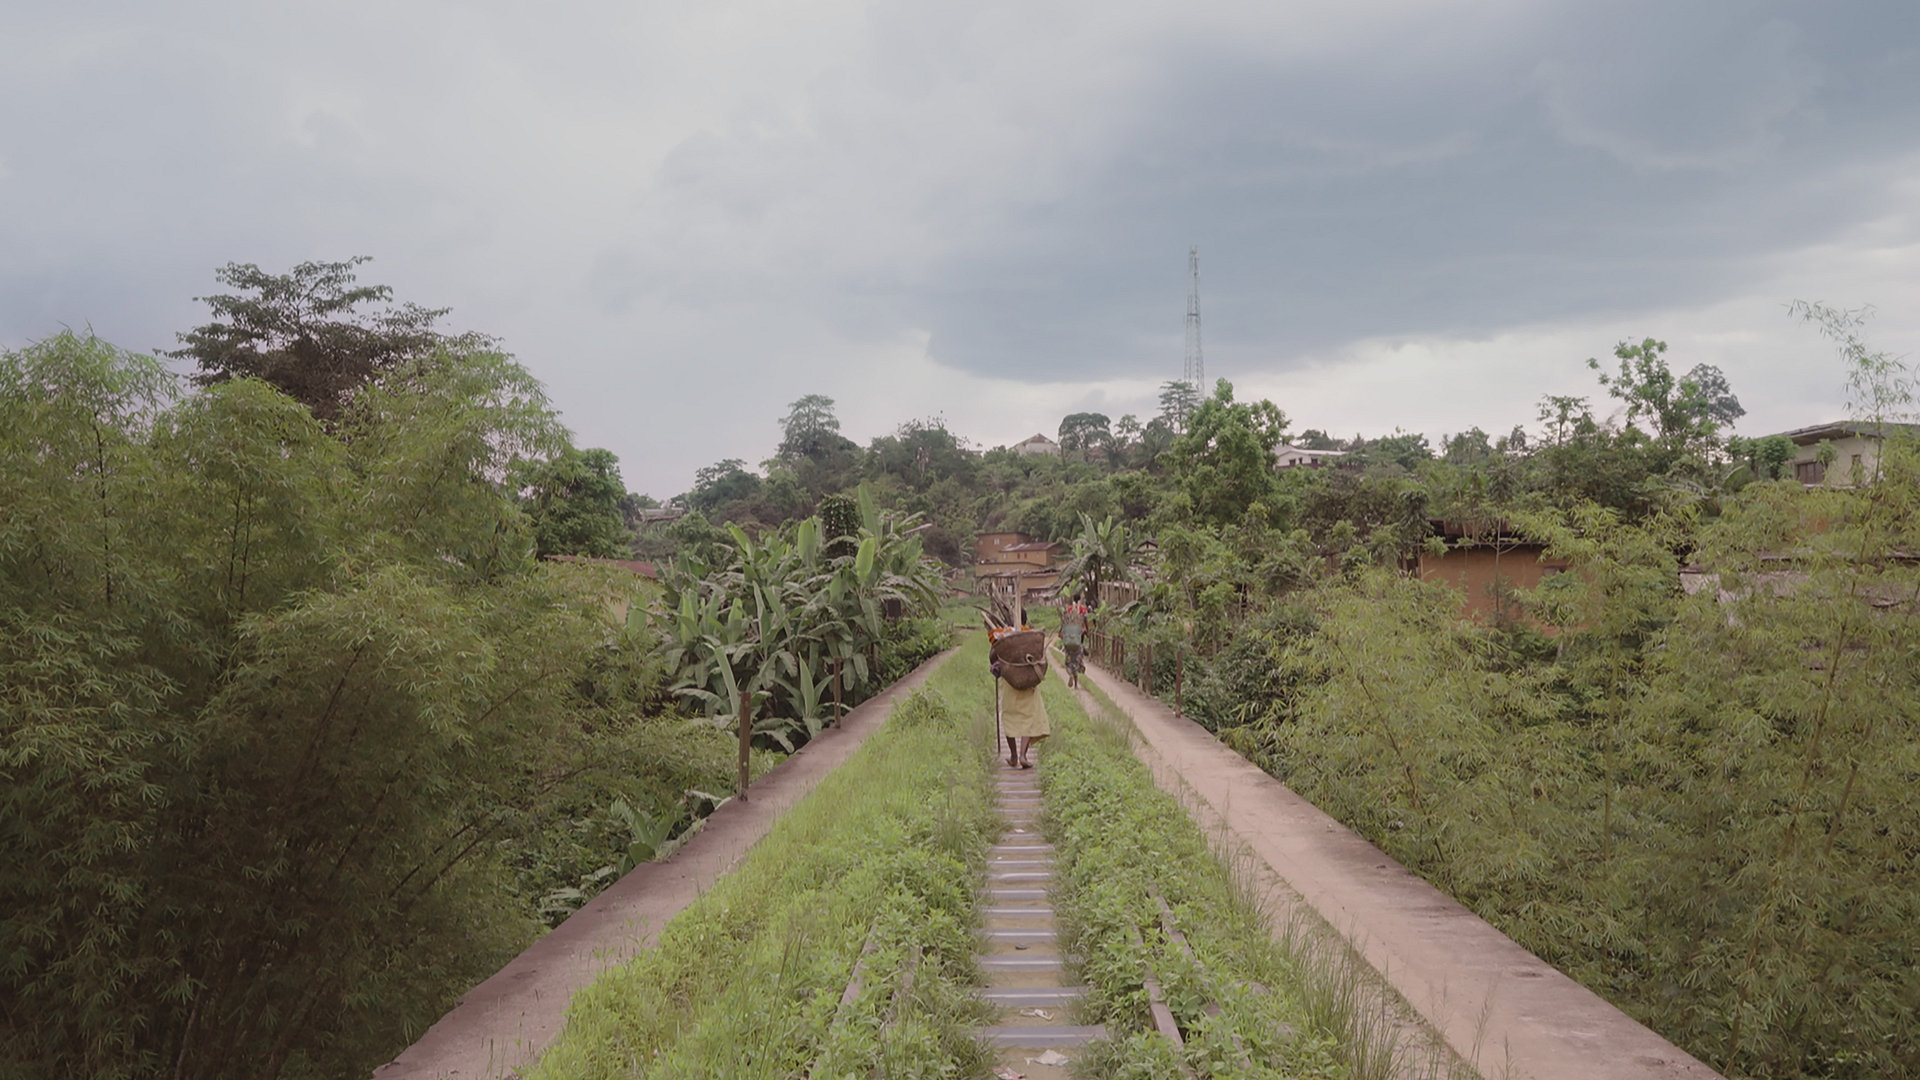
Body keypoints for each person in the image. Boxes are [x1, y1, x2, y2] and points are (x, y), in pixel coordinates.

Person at [997, 675, 1050, 768]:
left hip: (1010, 684)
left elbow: (995, 663)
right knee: (1028, 718)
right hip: (1028, 683)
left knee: (1009, 718)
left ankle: (1014, 756)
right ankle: (1023, 756)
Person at [1059, 603, 1087, 689]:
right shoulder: (1082, 612)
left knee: (1068, 663)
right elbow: (1084, 630)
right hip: (1078, 647)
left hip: (1068, 647)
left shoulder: (1066, 621)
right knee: (1076, 664)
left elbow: (1060, 634)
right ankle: (1075, 685)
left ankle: (1070, 675)